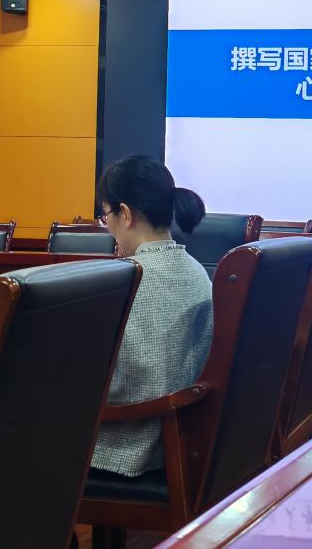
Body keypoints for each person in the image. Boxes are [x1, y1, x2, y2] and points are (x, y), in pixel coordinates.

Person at [89, 155, 212, 478]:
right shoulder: (197, 270)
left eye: (106, 216)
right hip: (185, 437)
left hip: (130, 448)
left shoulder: (129, 280)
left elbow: (113, 384)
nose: (108, 227)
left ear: (125, 214)